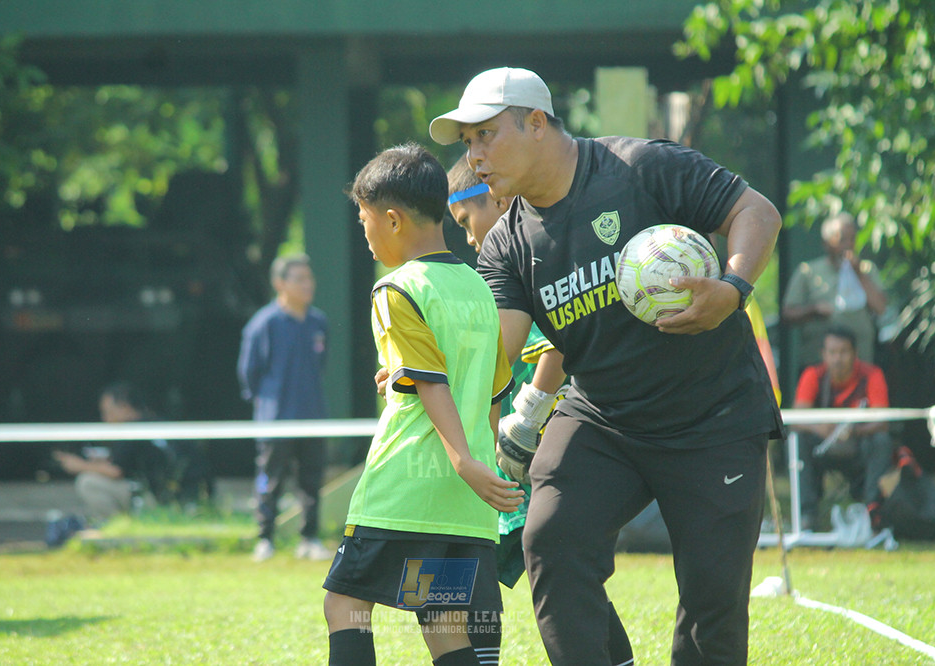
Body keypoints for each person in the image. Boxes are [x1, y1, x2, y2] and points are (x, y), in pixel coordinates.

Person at [430, 67, 783, 664]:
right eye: (467, 143)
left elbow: (757, 211)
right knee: (550, 538)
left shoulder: (639, 166)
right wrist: (424, 366)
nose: (476, 157)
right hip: (604, 418)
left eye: (485, 135)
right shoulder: (506, 244)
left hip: (714, 416)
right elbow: (496, 352)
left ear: (536, 123)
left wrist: (733, 286)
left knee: (711, 607)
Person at [322, 142, 524, 666]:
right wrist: (476, 464)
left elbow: (434, 384)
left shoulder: (396, 288)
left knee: (344, 604)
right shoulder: (478, 288)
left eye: (364, 219)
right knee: (442, 620)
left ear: (391, 219)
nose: (363, 233)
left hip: (405, 485)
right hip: (462, 501)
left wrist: (459, 459)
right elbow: (488, 389)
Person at [446, 154, 634, 665]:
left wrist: (526, 418)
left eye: (467, 222)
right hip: (517, 454)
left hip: (538, 453)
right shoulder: (500, 271)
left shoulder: (523, 267)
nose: (467, 239)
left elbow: (557, 343)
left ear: (499, 199)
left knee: (540, 567)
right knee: (549, 571)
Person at [237, 253, 331, 562]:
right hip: (275, 420)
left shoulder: (318, 322)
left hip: (312, 415)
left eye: (310, 278)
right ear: (280, 283)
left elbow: (321, 363)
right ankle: (265, 539)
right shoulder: (263, 324)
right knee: (270, 479)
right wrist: (266, 405)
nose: (308, 284)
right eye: (299, 279)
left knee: (311, 480)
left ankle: (309, 538)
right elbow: (249, 374)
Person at [791, 326, 894, 532]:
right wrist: (821, 429)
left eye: (844, 352)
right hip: (822, 447)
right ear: (823, 354)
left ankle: (872, 513)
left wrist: (854, 432)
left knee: (882, 442)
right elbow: (796, 419)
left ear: (855, 354)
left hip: (859, 446)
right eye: (832, 352)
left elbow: (883, 421)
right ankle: (807, 516)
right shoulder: (813, 375)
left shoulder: (872, 375)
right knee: (797, 440)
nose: (838, 359)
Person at [52, 382, 180, 525]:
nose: (105, 419)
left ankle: (117, 527)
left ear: (124, 407)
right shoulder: (156, 422)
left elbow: (116, 471)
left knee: (87, 482)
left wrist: (79, 465)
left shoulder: (131, 429)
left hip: (155, 498)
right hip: (177, 496)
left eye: (108, 412)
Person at [782, 211, 888, 370]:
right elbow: (788, 314)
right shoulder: (808, 271)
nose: (848, 245)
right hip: (818, 366)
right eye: (842, 239)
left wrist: (859, 273)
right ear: (827, 242)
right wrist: (814, 310)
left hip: (861, 366)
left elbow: (880, 308)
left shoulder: (866, 269)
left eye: (852, 239)